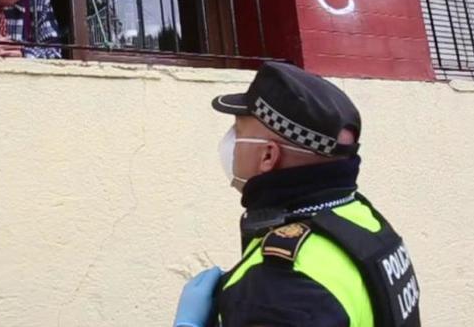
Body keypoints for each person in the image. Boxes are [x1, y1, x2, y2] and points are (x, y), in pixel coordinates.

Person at [173, 62, 420, 327]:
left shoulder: (279, 289)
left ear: (268, 155)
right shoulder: (360, 218)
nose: (230, 142)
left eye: (239, 132)